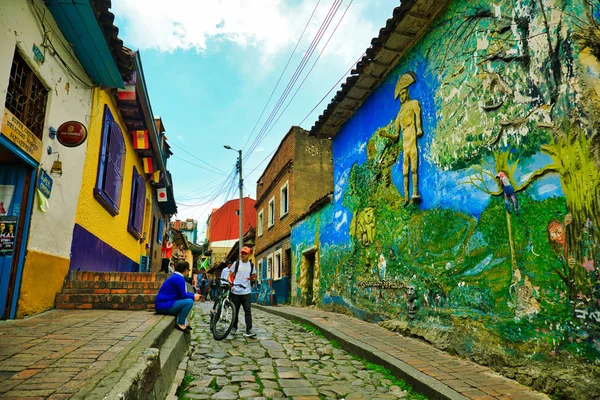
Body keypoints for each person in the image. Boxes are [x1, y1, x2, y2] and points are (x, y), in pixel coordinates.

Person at [379, 71, 423, 204]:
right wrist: (386, 135)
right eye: (400, 95)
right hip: (405, 144)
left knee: (414, 168)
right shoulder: (399, 115)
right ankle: (406, 197)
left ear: (407, 93)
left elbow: (418, 118)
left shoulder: (414, 103)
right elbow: (396, 136)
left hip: (412, 140)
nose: (402, 96)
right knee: (405, 171)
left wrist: (419, 128)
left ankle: (415, 192)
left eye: (404, 93)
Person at [155, 261, 201, 332]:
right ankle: (180, 323)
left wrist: (193, 295)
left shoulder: (176, 277)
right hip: (163, 306)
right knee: (189, 302)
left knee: (186, 301)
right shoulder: (179, 278)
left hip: (163, 304)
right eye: (188, 270)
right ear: (185, 270)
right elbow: (183, 295)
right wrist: (193, 297)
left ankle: (183, 322)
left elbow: (182, 293)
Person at [230, 247, 257, 338]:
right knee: (235, 310)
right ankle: (234, 327)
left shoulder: (251, 265)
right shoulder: (236, 264)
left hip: (246, 291)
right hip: (236, 291)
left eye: (245, 253)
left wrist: (253, 279)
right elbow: (230, 275)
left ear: (248, 255)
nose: (243, 255)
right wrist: (231, 284)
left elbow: (254, 277)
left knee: (247, 310)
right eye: (242, 253)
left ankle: (249, 329)